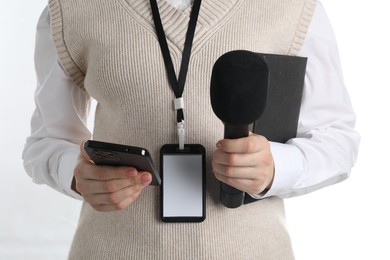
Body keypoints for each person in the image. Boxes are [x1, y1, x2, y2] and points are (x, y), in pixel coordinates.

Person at [23, 0, 360, 259]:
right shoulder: (71, 8)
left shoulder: (293, 7)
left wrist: (276, 167)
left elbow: (337, 138)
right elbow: (46, 140)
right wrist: (75, 173)